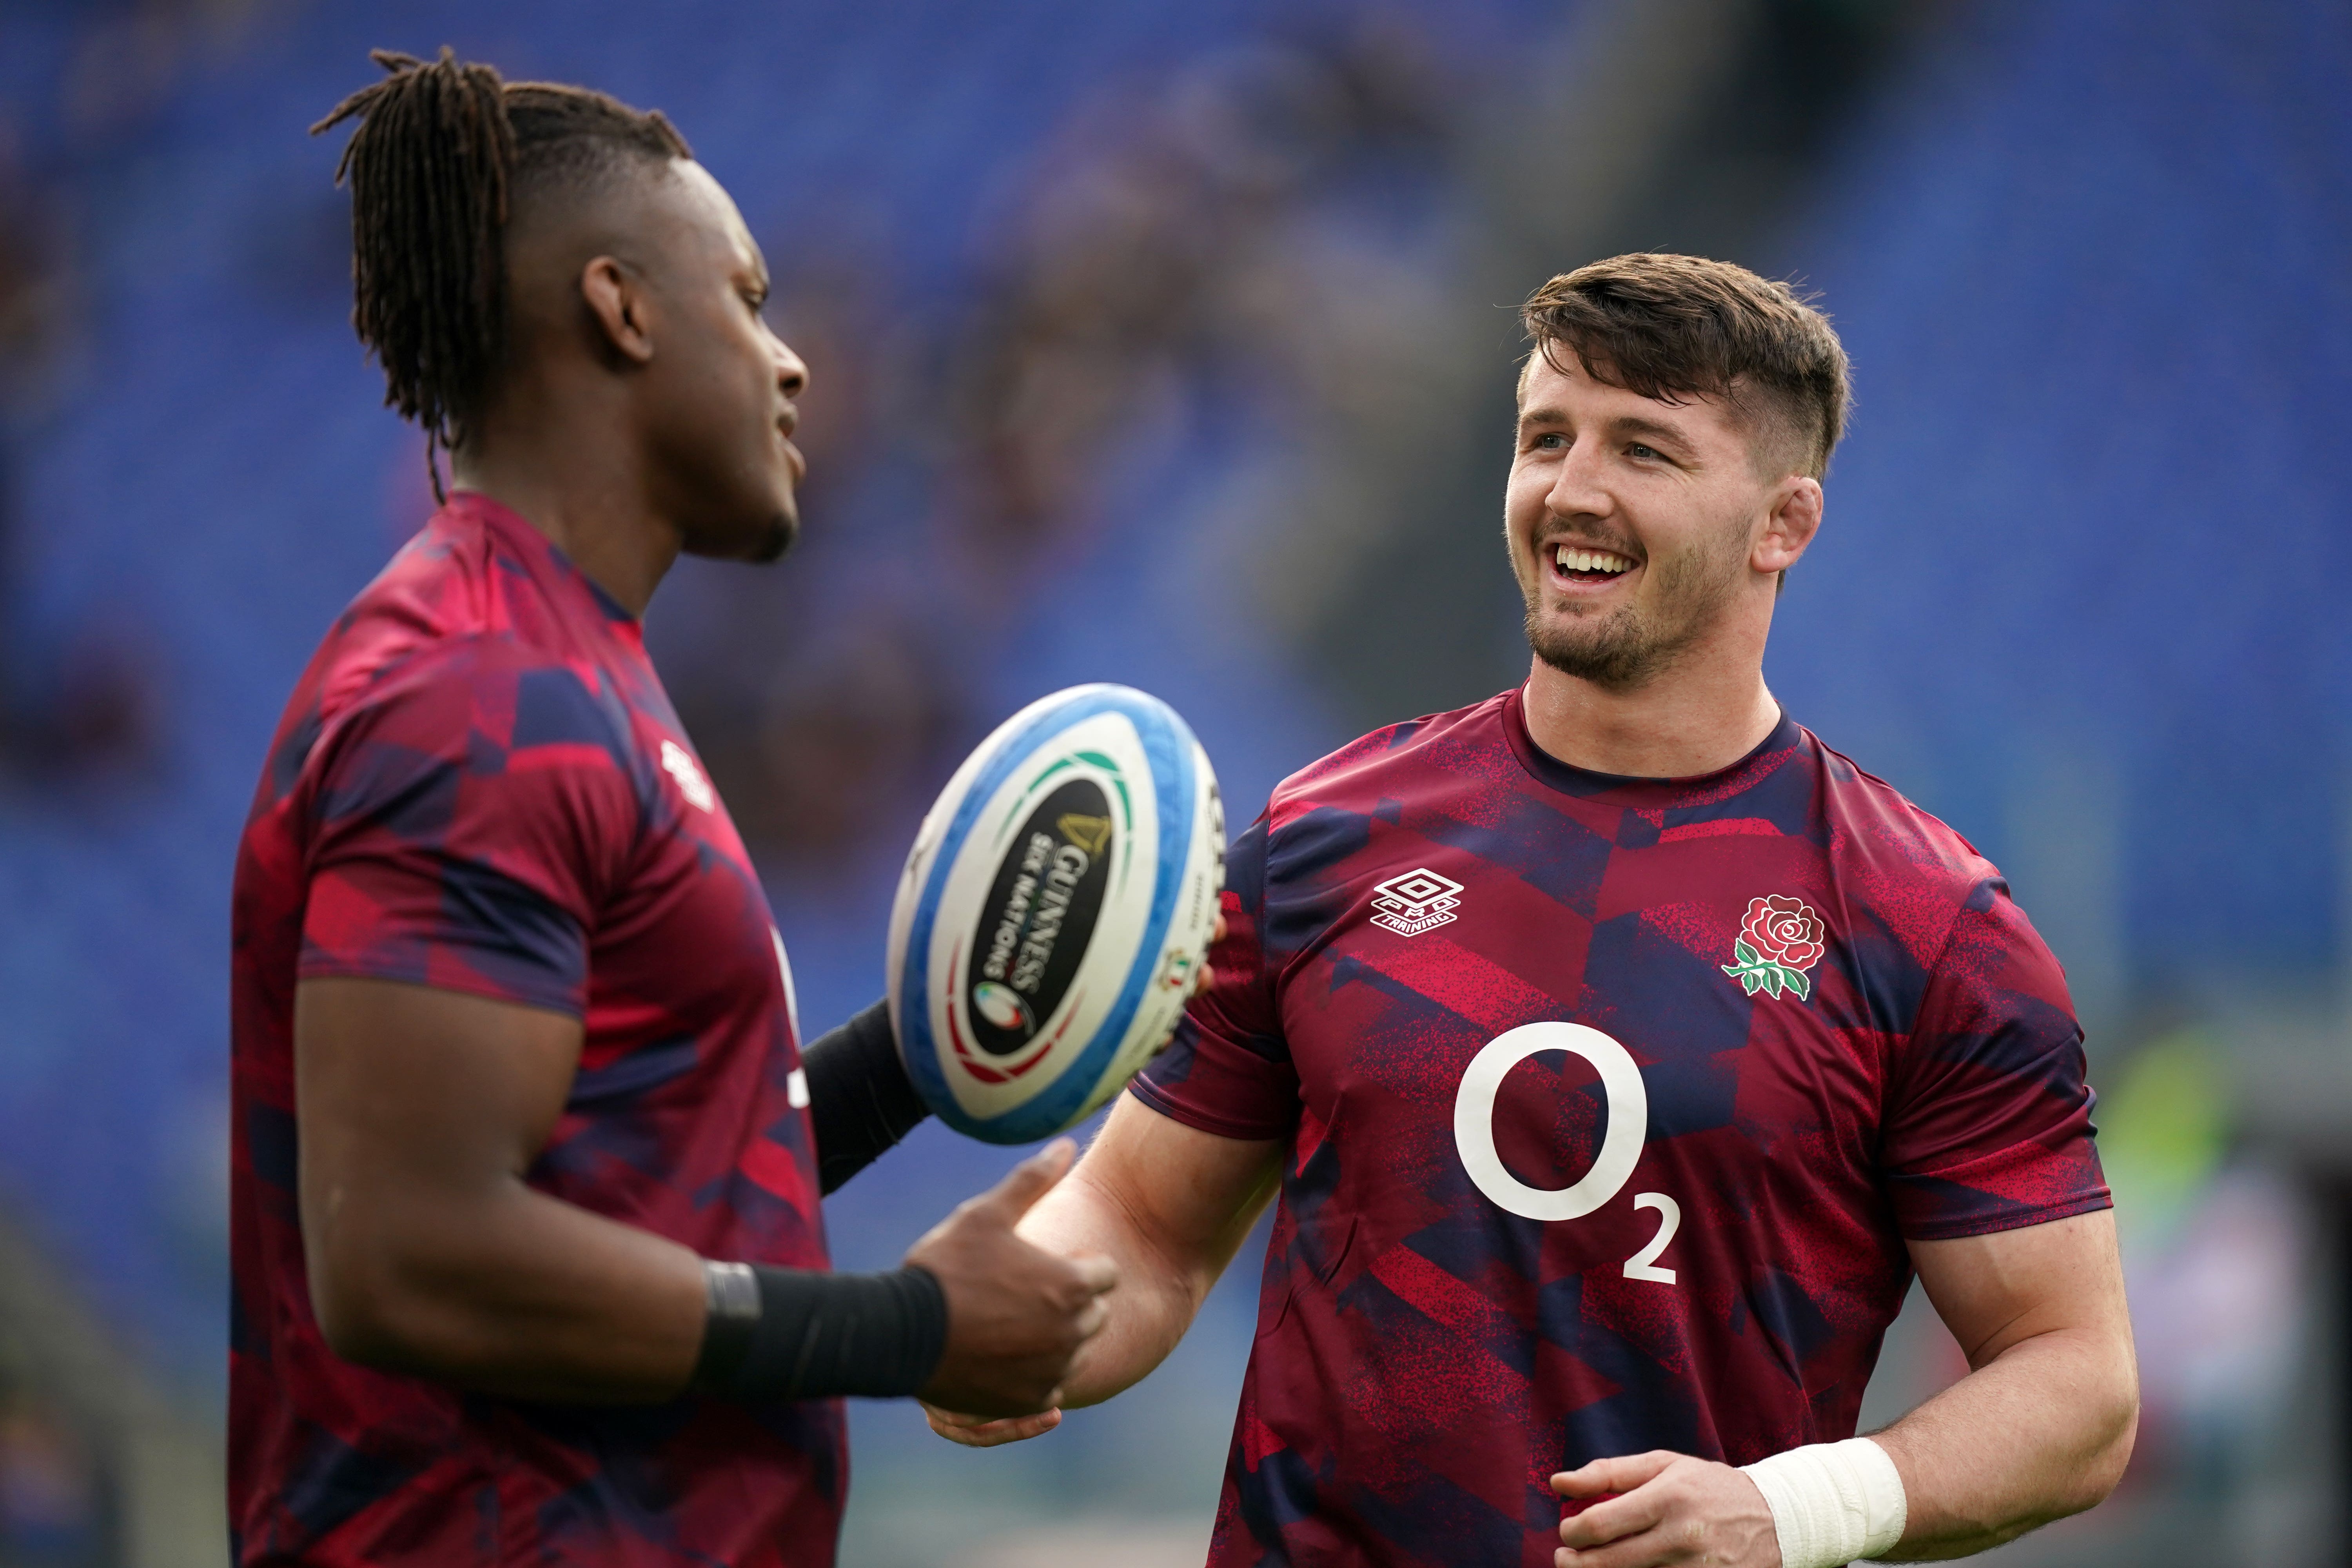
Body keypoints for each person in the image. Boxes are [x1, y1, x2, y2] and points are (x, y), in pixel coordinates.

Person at [925, 254, 2140, 1568]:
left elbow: (2077, 1385)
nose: (1572, 490)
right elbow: (1148, 1229)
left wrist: (1793, 1510)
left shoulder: (1923, 921)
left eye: (1646, 451)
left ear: (1783, 523)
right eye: (1545, 438)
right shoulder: (1324, 836)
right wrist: (1014, 1322)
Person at [228, 50, 1114, 1567]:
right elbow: (411, 1258)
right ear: (621, 308)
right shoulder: (474, 690)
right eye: (751, 300)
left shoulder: (571, 669)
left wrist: (916, 1056)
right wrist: (910, 1329)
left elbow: (643, 1176)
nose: (795, 365)